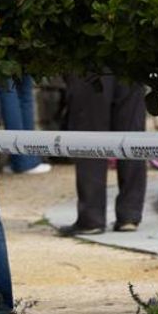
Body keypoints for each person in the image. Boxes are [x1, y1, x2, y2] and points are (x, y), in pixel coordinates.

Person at [60, 75, 148, 234]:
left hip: (90, 62)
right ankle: (129, 215)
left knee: (90, 133)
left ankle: (92, 218)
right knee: (131, 133)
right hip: (132, 59)